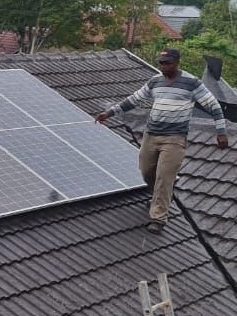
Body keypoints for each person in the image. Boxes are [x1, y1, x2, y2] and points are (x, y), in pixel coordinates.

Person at [95, 48, 228, 234]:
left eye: (167, 63)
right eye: (161, 63)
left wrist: (220, 131)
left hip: (174, 138)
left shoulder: (191, 83)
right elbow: (133, 100)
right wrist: (109, 113)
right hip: (151, 135)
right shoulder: (155, 81)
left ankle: (158, 218)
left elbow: (213, 105)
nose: (163, 66)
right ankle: (165, 194)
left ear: (176, 62)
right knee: (147, 171)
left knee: (163, 178)